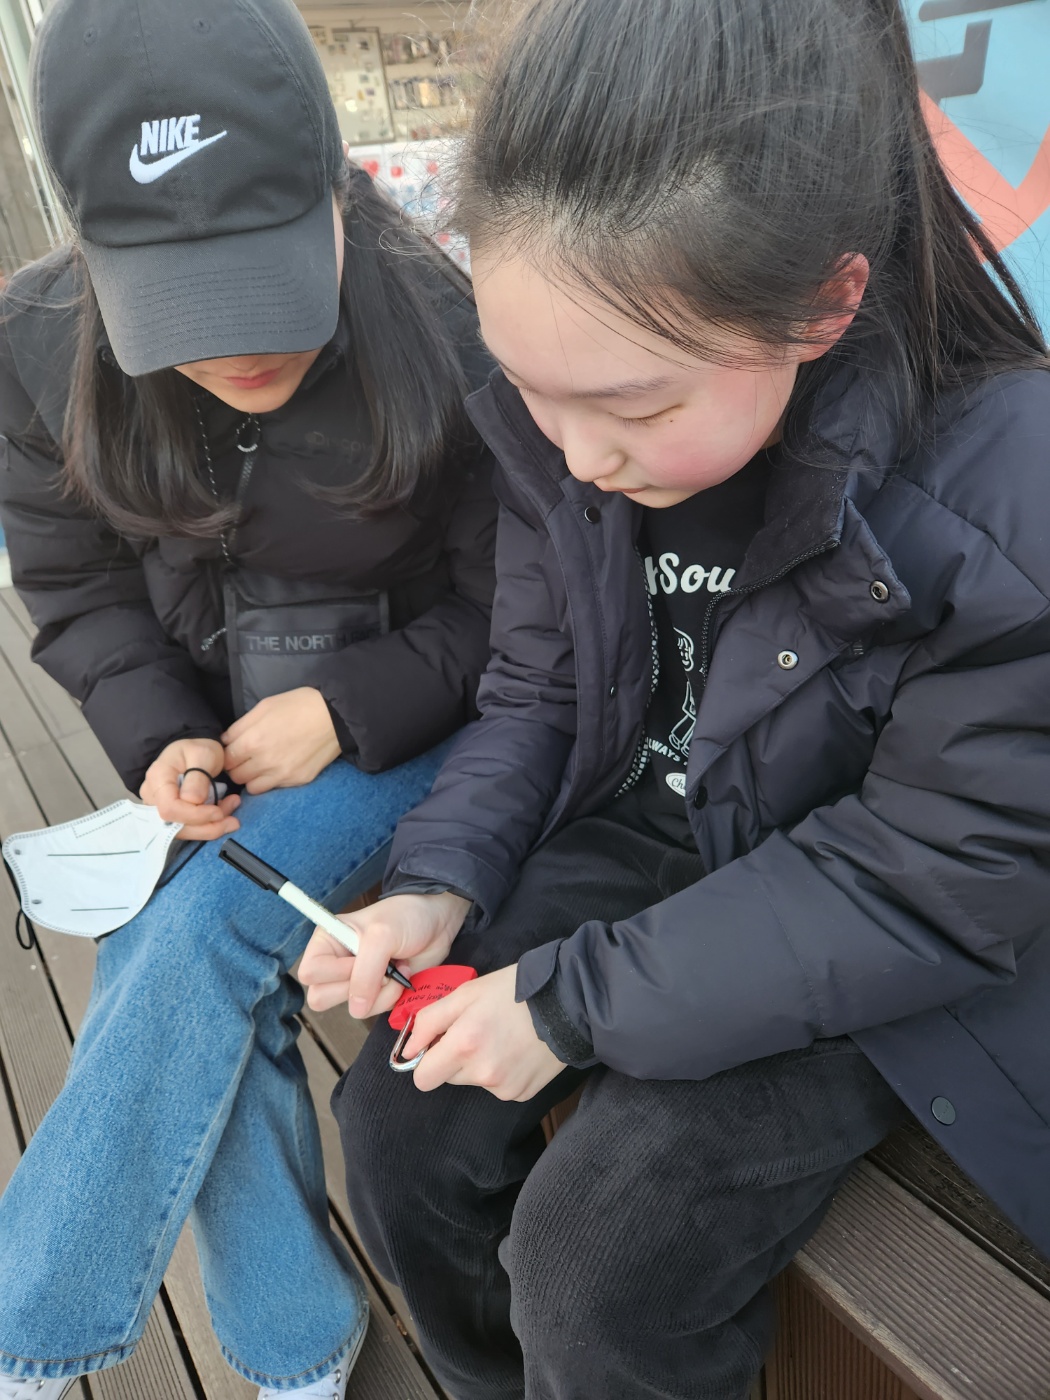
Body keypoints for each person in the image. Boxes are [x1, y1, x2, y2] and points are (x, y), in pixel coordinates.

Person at [298, 0, 1050, 1396]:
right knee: (395, 1124)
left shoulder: (1001, 488)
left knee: (598, 1266)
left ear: (825, 302)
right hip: (651, 837)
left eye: (636, 411)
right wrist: (439, 883)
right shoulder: (566, 428)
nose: (579, 458)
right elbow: (535, 688)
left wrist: (568, 1005)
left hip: (864, 926)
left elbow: (935, 874)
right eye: (532, 393)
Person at [0, 1, 496, 1397]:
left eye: (262, 270)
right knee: (170, 931)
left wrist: (348, 706)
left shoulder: (445, 325)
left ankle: (29, 1337)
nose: (234, 345)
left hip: (419, 725)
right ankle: (298, 1350)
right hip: (215, 740)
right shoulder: (35, 342)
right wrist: (158, 736)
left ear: (338, 191)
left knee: (196, 931)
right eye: (178, 294)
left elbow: (522, 616)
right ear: (92, 249)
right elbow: (78, 585)